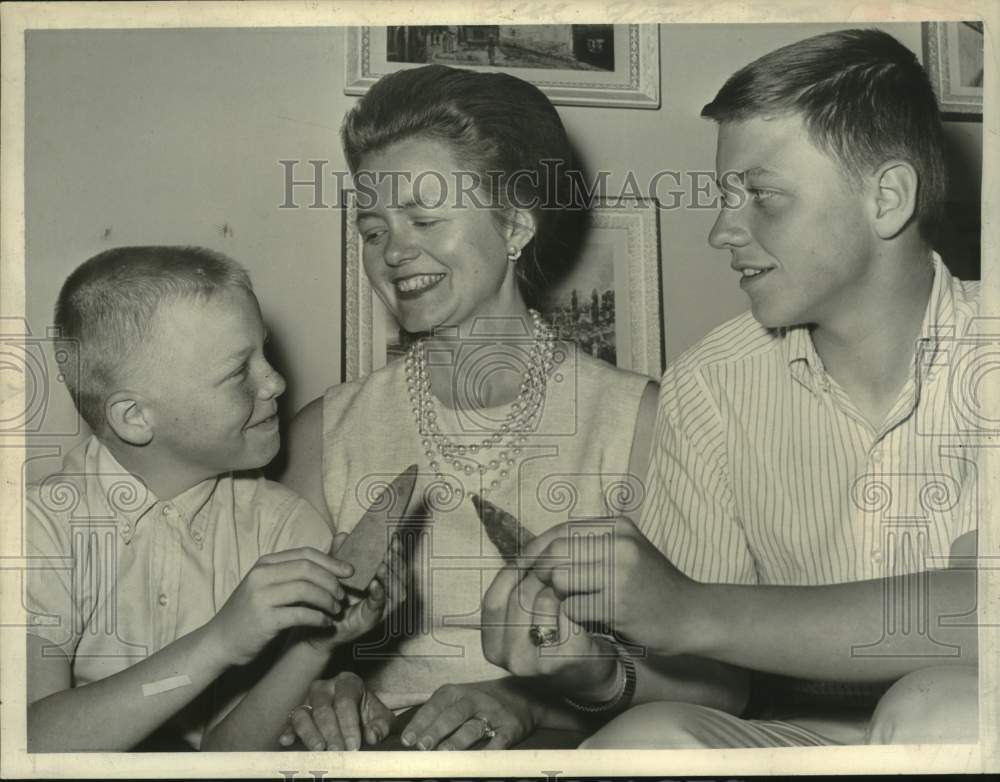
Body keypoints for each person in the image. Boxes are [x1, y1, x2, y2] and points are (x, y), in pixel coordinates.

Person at [505, 28, 981, 747]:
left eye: (761, 195)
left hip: (972, 716)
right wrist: (593, 669)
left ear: (887, 198)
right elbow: (709, 676)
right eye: (725, 195)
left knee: (941, 708)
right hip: (810, 739)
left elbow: (978, 610)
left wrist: (694, 608)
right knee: (647, 741)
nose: (723, 231)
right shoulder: (710, 384)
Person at [280, 64, 748, 751]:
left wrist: (532, 705)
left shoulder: (639, 420)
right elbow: (260, 665)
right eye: (373, 229)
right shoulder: (326, 433)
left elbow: (719, 687)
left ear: (516, 225)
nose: (394, 252)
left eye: (425, 217)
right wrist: (324, 688)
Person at [25, 246, 402, 752]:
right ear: (134, 417)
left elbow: (225, 755)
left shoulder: (285, 527)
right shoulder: (36, 528)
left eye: (263, 353)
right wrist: (220, 641)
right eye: (237, 373)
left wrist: (314, 647)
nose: (275, 381)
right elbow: (28, 744)